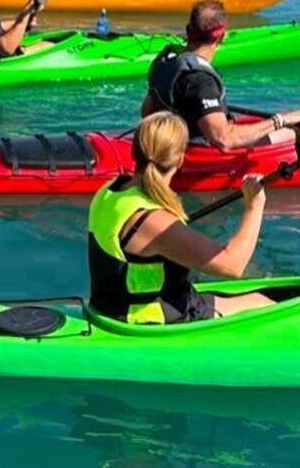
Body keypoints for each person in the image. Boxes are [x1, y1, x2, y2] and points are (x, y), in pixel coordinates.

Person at [87, 112, 274, 326]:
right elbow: (233, 266)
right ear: (181, 159)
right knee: (265, 304)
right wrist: (254, 206)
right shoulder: (153, 221)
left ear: (134, 150)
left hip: (108, 308)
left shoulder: (110, 191)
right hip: (147, 321)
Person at [143, 0, 300, 151]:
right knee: (288, 135)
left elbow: (147, 111)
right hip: (196, 156)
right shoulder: (201, 80)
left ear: (188, 30)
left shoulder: (166, 62)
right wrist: (280, 120)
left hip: (169, 145)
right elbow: (223, 140)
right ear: (222, 36)